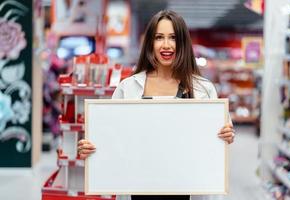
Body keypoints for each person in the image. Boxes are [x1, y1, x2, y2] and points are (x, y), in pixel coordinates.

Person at [78, 10, 235, 200]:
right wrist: (92, 149)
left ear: (183, 43)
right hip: (138, 189)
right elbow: (113, 138)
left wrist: (226, 134)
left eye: (173, 38)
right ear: (150, 43)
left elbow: (218, 137)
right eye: (159, 37)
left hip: (187, 188)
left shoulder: (203, 89)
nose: (166, 45)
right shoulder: (128, 88)